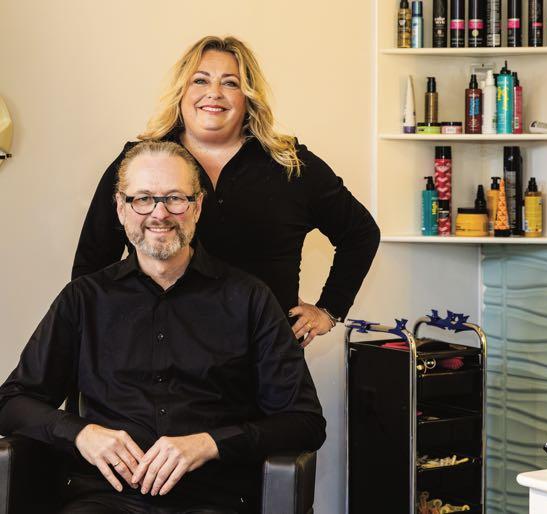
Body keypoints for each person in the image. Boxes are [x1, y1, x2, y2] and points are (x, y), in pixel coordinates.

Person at [0, 141, 326, 514]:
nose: (159, 213)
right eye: (143, 199)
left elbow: (304, 422)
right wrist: (81, 433)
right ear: (121, 208)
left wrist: (209, 443)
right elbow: (11, 403)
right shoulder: (83, 299)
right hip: (103, 499)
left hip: (215, 500)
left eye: (175, 198)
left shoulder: (250, 299)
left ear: (197, 206)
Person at [72, 36, 380, 347]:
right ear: (181, 91)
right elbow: (92, 262)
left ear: (248, 97)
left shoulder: (291, 165)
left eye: (230, 83)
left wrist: (329, 310)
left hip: (264, 357)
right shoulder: (141, 162)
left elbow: (361, 233)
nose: (214, 93)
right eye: (200, 80)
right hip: (159, 356)